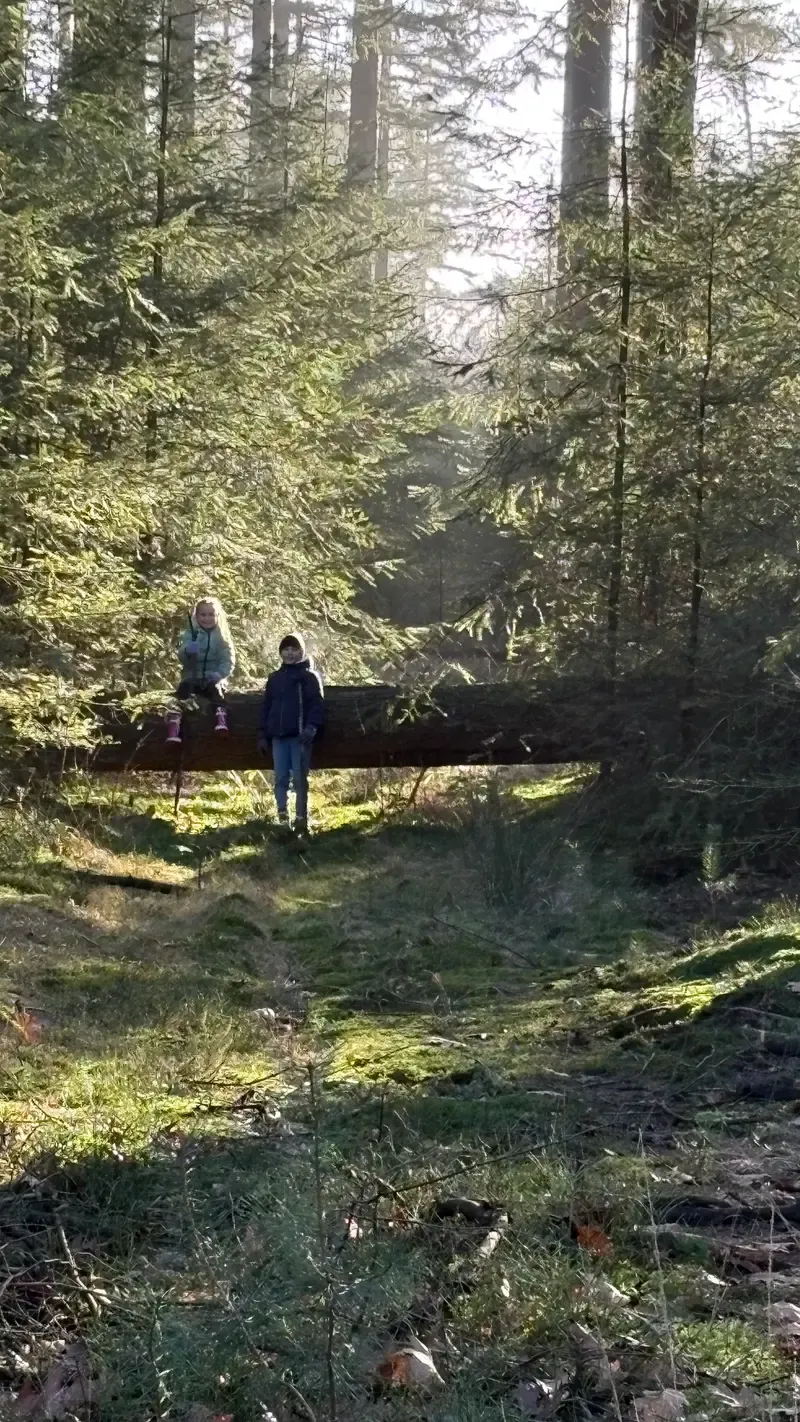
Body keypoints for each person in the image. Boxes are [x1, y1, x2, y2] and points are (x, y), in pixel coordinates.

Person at [258, 634, 324, 834]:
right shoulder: (275, 679)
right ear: (281, 653)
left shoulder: (308, 677)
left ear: (301, 652)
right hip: (278, 738)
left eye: (294, 649)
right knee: (280, 778)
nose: (289, 653)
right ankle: (282, 818)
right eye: (286, 649)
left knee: (299, 779)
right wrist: (262, 735)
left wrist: (311, 727)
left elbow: (317, 704)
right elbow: (266, 707)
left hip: (299, 737)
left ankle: (301, 820)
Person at [166, 597, 236, 744]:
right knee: (182, 692)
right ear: (196, 616)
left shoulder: (221, 636)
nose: (207, 618)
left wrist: (219, 674)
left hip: (213, 677)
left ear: (217, 616)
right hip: (193, 676)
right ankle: (174, 727)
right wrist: (188, 650)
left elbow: (228, 659)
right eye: (203, 615)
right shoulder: (192, 633)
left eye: (211, 615)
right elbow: (182, 657)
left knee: (216, 691)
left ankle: (221, 720)